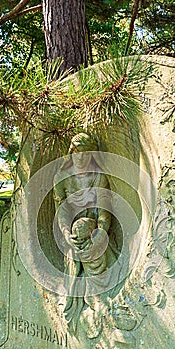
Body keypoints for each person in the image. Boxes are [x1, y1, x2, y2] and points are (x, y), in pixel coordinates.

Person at [53, 132, 119, 336]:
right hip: (74, 233)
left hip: (96, 229)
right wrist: (66, 234)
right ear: (70, 152)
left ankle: (103, 301)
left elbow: (104, 208)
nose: (80, 157)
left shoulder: (99, 176)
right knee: (75, 258)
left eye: (84, 153)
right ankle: (81, 303)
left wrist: (100, 233)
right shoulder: (62, 178)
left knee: (98, 256)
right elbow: (62, 211)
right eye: (76, 152)